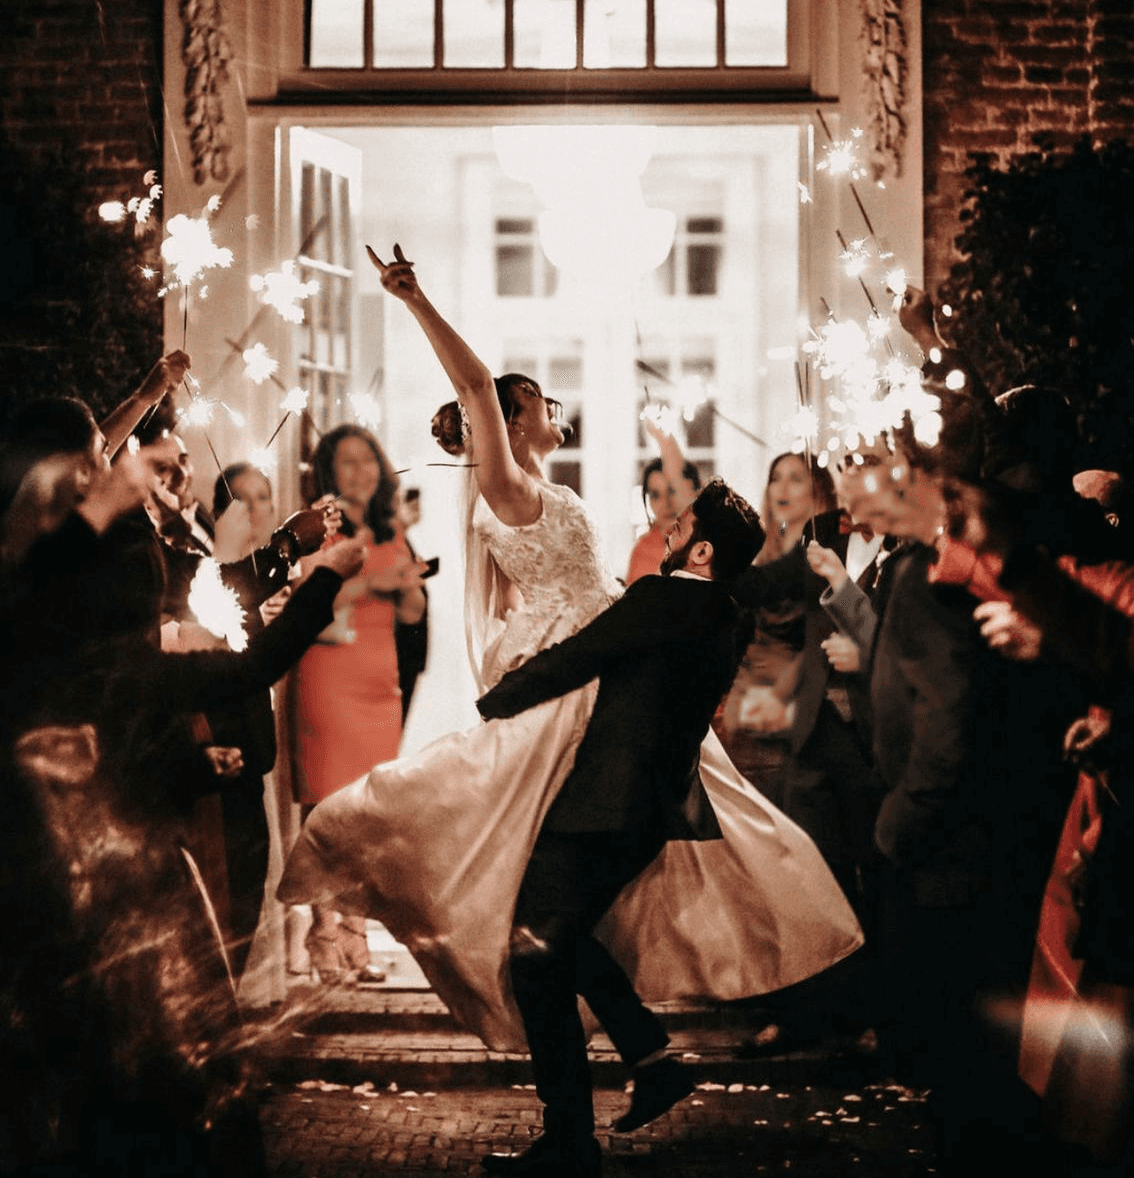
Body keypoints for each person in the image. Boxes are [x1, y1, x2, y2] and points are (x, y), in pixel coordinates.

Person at [279, 245, 862, 1054]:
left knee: (682, 810)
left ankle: (695, 971)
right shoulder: (508, 487)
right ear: (514, 421)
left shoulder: (544, 490)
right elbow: (475, 387)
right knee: (546, 826)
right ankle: (589, 995)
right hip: (571, 652)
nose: (558, 407)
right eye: (540, 400)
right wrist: (416, 299)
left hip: (600, 644)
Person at [476, 478, 763, 1176]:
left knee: (534, 948)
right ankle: (647, 1061)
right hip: (648, 812)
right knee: (555, 939)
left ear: (702, 550)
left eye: (680, 525)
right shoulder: (729, 615)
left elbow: (584, 653)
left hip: (602, 806)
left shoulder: (664, 598)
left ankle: (574, 1137)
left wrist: (499, 699)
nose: (667, 529)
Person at [288, 423, 427, 983]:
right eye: (347, 461)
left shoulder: (389, 530)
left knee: (366, 816)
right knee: (328, 809)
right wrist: (372, 583)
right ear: (327, 471)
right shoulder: (316, 527)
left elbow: (413, 613)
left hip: (379, 683)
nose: (360, 471)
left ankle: (353, 934)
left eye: (368, 459)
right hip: (328, 678)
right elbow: (307, 602)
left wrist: (407, 581)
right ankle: (323, 933)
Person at [624, 417, 701, 584]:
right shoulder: (643, 550)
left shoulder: (707, 544)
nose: (666, 502)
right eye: (655, 495)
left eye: (672, 491)